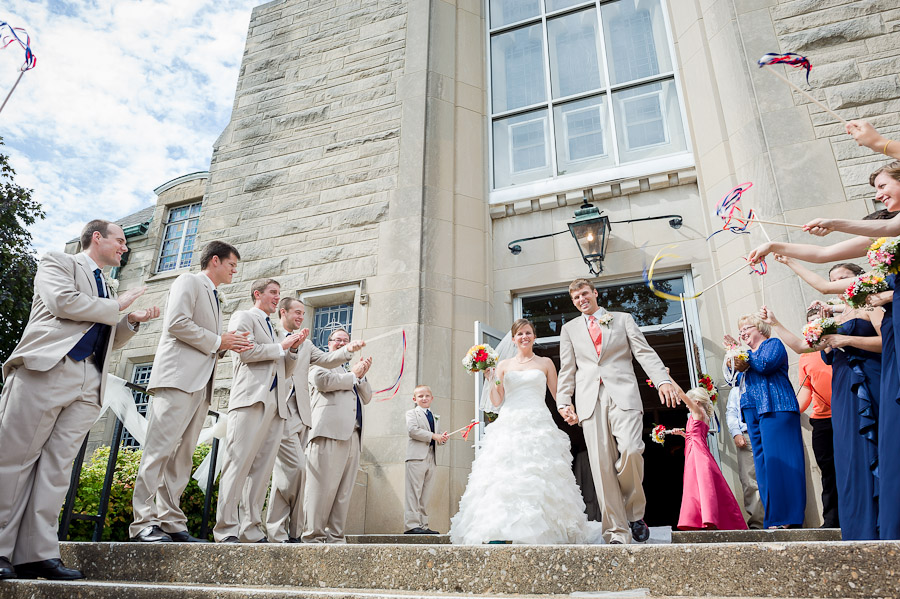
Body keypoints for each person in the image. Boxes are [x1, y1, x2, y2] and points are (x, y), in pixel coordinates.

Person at [0, 220, 159, 580]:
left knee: (56, 470)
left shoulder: (106, 286)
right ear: (97, 237)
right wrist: (117, 304)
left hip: (90, 379)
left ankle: (36, 554)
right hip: (47, 369)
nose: (125, 248)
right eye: (120, 241)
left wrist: (129, 322)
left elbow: (101, 337)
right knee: (14, 460)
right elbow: (63, 303)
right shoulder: (58, 262)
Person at [748, 173, 900, 539]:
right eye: (875, 190)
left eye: (884, 186)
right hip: (849, 391)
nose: (879, 194)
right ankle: (867, 526)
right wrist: (781, 255)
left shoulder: (876, 296)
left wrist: (843, 339)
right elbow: (807, 332)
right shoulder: (865, 293)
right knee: (851, 461)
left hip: (876, 379)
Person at [130, 241, 251, 544]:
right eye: (231, 265)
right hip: (177, 380)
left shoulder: (214, 296)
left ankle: (171, 521)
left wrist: (228, 343)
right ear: (214, 260)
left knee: (182, 457)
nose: (234, 271)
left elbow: (209, 341)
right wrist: (219, 340)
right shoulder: (188, 281)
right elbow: (176, 324)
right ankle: (141, 523)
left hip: (200, 384)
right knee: (159, 451)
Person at [450, 318, 604, 544]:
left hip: (539, 422)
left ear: (534, 336)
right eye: (520, 334)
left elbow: (557, 394)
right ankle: (500, 530)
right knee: (506, 475)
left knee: (539, 475)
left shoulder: (545, 363)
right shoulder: (503, 365)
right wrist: (492, 379)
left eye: (528, 333)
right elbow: (496, 400)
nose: (524, 337)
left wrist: (569, 412)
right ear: (513, 339)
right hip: (509, 422)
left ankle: (544, 531)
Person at [557, 278, 678, 545]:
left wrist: (663, 380)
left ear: (595, 293)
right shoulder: (569, 329)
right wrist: (564, 400)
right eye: (576, 297)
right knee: (601, 466)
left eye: (585, 294)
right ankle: (615, 531)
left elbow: (644, 353)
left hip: (624, 395)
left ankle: (634, 512)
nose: (581, 300)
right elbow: (568, 368)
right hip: (590, 399)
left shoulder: (622, 319)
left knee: (632, 450)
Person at [265, 298, 364, 543]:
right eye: (297, 312)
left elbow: (330, 361)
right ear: (283, 312)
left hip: (304, 416)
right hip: (276, 409)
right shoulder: (272, 333)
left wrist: (348, 352)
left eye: (302, 312)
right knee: (287, 475)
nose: (301, 316)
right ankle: (274, 533)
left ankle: (295, 533)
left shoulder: (308, 345)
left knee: (299, 477)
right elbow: (320, 378)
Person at [214, 279, 303, 543]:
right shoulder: (244, 317)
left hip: (275, 406)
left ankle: (250, 529)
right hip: (250, 400)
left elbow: (284, 370)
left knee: (261, 471)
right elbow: (246, 352)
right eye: (273, 293)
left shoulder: (274, 329)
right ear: (258, 294)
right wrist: (283, 346)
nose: (278, 298)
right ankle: (225, 529)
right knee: (237, 464)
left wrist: (294, 349)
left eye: (279, 293)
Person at [730, 313, 805, 528]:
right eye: (740, 330)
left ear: (761, 328)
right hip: (754, 411)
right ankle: (773, 518)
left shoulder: (773, 344)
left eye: (747, 328)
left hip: (776, 407)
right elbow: (736, 380)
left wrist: (742, 353)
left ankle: (789, 518)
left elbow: (764, 365)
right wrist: (735, 358)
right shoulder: (747, 354)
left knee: (781, 463)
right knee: (763, 468)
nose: (743, 333)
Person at [302, 329, 373, 543]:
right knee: (321, 488)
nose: (342, 343)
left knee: (343, 491)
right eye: (337, 340)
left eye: (346, 340)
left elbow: (367, 396)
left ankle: (335, 537)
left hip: (353, 435)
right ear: (329, 343)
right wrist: (353, 375)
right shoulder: (319, 363)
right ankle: (312, 536)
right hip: (328, 432)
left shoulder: (349, 370)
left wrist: (359, 376)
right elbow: (323, 382)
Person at [671, 384, 747, 531]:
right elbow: (695, 435)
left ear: (696, 402)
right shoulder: (703, 415)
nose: (687, 406)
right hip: (699, 451)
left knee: (700, 487)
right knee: (702, 487)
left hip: (697, 454)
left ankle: (707, 520)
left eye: (690, 401)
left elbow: (680, 393)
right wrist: (682, 434)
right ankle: (706, 519)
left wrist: (666, 377)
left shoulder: (697, 411)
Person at [796, 309, 838, 529]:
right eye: (811, 323)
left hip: (847, 416)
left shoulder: (842, 345)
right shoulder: (806, 355)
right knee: (828, 470)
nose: (815, 326)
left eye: (819, 322)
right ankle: (831, 521)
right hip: (822, 420)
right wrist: (789, 410)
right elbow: (805, 392)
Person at [404, 385, 447, 535]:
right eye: (420, 396)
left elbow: (437, 435)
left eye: (427, 395)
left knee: (425, 493)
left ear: (432, 398)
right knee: (413, 492)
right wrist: (434, 436)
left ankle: (423, 525)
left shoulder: (435, 416)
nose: (424, 398)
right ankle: (411, 525)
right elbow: (413, 431)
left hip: (431, 457)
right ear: (414, 399)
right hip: (416, 458)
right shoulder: (411, 413)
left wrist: (442, 438)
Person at [724, 384, 764, 529]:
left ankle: (779, 519)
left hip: (768, 432)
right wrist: (736, 432)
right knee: (749, 481)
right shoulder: (736, 390)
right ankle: (758, 523)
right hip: (747, 436)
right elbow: (731, 412)